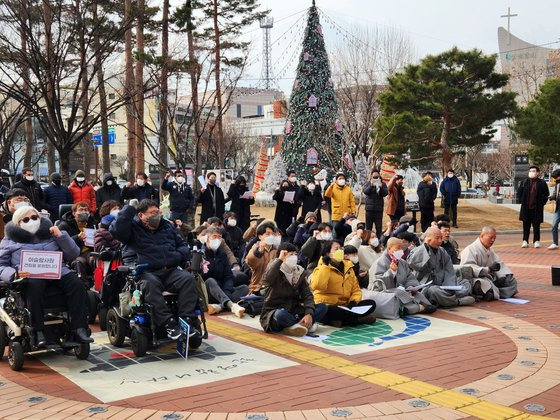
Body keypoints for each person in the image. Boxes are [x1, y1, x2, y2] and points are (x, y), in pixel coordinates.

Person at [0, 206, 92, 346]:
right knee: (34, 285)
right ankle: (38, 331)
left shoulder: (50, 233)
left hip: (57, 271)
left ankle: (79, 328)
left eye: (34, 217)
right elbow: (1, 265)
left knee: (76, 284)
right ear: (18, 223)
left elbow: (73, 254)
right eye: (26, 219)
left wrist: (61, 236)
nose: (31, 221)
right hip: (29, 275)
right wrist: (14, 273)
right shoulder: (10, 240)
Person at [110, 199, 200, 341]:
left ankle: (186, 320)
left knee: (188, 279)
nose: (156, 216)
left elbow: (181, 244)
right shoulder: (132, 228)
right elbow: (116, 231)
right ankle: (168, 324)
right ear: (141, 215)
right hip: (146, 271)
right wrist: (128, 209)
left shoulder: (167, 226)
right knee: (150, 284)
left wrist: (177, 256)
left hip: (169, 270)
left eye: (158, 212)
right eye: (152, 213)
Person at [260, 243, 327, 337]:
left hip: (294, 310)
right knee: (280, 314)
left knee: (322, 307)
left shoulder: (299, 272)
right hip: (274, 311)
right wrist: (279, 260)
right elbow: (267, 280)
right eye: (290, 254)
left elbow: (307, 295)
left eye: (295, 254)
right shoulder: (274, 269)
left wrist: (309, 314)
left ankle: (295, 325)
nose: (294, 257)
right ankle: (301, 325)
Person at [311, 240, 376, 327]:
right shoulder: (321, 268)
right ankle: (356, 320)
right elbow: (318, 286)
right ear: (327, 253)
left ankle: (341, 320)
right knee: (330, 310)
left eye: (341, 248)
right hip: (328, 305)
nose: (340, 251)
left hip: (346, 305)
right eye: (336, 249)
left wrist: (353, 301)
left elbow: (356, 289)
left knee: (371, 304)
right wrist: (325, 266)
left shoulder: (348, 267)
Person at [407, 227, 474, 308]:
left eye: (441, 238)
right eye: (437, 238)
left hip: (443, 285)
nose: (440, 241)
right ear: (428, 238)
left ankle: (445, 299)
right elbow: (413, 264)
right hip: (426, 287)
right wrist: (424, 246)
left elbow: (449, 270)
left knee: (466, 283)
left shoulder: (442, 251)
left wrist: (450, 287)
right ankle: (457, 301)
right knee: (434, 291)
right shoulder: (417, 250)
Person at [370, 237, 436, 315]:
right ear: (389, 248)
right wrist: (391, 272)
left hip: (402, 289)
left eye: (401, 248)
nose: (400, 251)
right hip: (383, 292)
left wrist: (411, 287)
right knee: (400, 293)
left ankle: (425, 305)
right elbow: (378, 283)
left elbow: (410, 277)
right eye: (398, 248)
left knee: (417, 294)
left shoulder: (402, 262)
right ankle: (417, 308)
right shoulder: (380, 262)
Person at [460, 226, 518, 301]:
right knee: (479, 284)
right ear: (482, 236)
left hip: (491, 279)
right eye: (490, 238)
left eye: (494, 238)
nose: (493, 240)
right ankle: (493, 293)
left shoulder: (490, 250)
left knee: (511, 281)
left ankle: (493, 293)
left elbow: (499, 263)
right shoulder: (470, 249)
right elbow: (467, 267)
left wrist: (504, 275)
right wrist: (488, 269)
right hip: (477, 278)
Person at [202, 227, 248, 317]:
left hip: (222, 291)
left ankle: (220, 306)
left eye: (219, 237)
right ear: (207, 238)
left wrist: (227, 290)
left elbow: (228, 275)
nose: (217, 239)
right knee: (210, 280)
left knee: (245, 288)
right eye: (214, 236)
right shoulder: (201, 254)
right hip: (208, 291)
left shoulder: (222, 255)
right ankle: (231, 305)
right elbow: (200, 277)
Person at [58, 201, 97, 283]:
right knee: (79, 262)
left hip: (89, 252)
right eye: (81, 210)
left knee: (95, 259)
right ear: (74, 213)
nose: (84, 212)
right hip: (75, 254)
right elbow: (60, 242)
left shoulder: (94, 224)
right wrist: (77, 238)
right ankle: (83, 287)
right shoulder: (64, 225)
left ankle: (99, 285)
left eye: (86, 210)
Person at [517, 166, 550, 248]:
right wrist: (522, 201)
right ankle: (525, 240)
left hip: (537, 208)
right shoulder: (524, 182)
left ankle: (536, 241)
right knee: (526, 225)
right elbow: (519, 193)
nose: (532, 172)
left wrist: (542, 203)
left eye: (534, 171)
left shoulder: (542, 183)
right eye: (530, 171)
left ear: (538, 173)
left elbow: (546, 194)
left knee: (536, 226)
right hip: (526, 208)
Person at [245, 220, 280, 294]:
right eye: (267, 234)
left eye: (272, 234)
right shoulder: (256, 247)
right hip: (258, 287)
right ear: (260, 236)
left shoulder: (276, 250)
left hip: (274, 286)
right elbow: (250, 261)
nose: (271, 236)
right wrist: (259, 252)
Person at [363, 169, 387, 237]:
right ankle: (367, 241)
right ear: (371, 177)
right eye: (374, 177)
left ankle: (379, 241)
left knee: (379, 228)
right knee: (368, 228)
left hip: (378, 210)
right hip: (369, 209)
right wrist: (371, 185)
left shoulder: (383, 184)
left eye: (377, 177)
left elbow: (385, 193)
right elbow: (365, 192)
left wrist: (381, 187)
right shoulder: (368, 183)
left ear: (379, 176)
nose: (376, 179)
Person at [549, 169, 560, 250]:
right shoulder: (557, 184)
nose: (555, 179)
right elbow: (555, 193)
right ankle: (555, 243)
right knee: (554, 225)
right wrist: (551, 197)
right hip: (558, 209)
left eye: (556, 177)